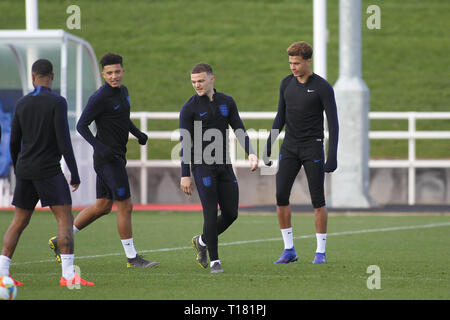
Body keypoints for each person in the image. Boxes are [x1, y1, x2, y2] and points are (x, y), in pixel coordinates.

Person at [48, 53, 159, 269]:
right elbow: (81, 125)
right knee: (125, 205)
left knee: (103, 206)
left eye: (117, 71)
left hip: (117, 156)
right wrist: (100, 147)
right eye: (109, 73)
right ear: (103, 74)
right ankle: (132, 258)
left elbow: (123, 119)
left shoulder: (123, 92)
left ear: (123, 71)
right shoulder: (99, 97)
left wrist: (137, 134)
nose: (114, 76)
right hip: (107, 160)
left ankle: (60, 239)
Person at [0, 59, 93, 287]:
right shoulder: (57, 102)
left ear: (33, 78)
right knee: (64, 219)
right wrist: (74, 171)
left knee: (18, 221)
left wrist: (17, 166)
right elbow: (63, 140)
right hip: (48, 170)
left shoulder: (22, 103)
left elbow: (13, 141)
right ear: (51, 76)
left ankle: (3, 274)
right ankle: (69, 275)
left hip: (24, 169)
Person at [264, 41, 339, 265]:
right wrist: (269, 144)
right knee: (280, 196)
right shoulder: (286, 83)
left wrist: (332, 154)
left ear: (308, 61)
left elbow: (333, 124)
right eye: (290, 63)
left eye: (296, 63)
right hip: (290, 147)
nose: (293, 67)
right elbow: (280, 117)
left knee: (317, 200)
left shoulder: (323, 87)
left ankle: (320, 252)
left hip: (312, 147)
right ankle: (289, 250)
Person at [179, 63, 258, 273]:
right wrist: (185, 174)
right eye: (194, 81)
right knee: (211, 213)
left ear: (212, 79)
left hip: (224, 163)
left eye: (201, 81)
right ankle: (215, 261)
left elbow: (239, 128)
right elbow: (185, 142)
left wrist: (250, 152)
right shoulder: (189, 108)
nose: (197, 85)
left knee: (231, 213)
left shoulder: (227, 102)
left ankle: (202, 241)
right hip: (202, 165)